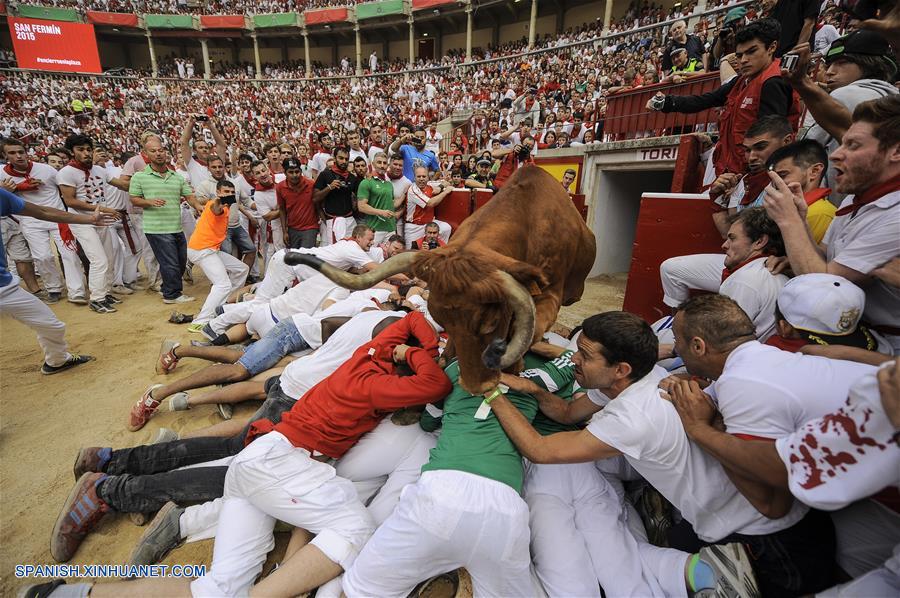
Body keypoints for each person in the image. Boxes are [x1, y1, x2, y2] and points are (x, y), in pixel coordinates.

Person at [47, 312, 451, 597]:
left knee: (230, 464)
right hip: (286, 450)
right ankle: (116, 490)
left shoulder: (377, 334)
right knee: (353, 527)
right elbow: (434, 387)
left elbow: (406, 323)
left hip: (284, 430)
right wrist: (417, 355)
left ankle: (67, 586)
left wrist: (409, 346)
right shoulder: (378, 381)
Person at [486, 312, 779, 597]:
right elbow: (567, 412)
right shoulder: (639, 377)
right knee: (613, 545)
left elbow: (540, 451)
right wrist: (535, 391)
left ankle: (707, 567)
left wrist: (491, 393)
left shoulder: (632, 417)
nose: (573, 359)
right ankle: (695, 568)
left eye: (585, 356)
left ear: (621, 370)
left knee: (612, 550)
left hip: (731, 525)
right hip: (723, 502)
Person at [666, 360, 900, 598]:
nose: (884, 377)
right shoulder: (878, 384)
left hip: (798, 535)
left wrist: (700, 429)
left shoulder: (884, 399)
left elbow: (777, 490)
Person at [763, 95, 900, 351]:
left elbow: (822, 286)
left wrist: (788, 220)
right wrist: (801, 221)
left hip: (886, 348)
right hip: (850, 332)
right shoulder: (857, 196)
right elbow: (826, 258)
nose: (836, 154)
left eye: (854, 145)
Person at [648, 19, 801, 181]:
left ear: (771, 47)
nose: (743, 60)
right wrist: (666, 102)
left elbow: (769, 144)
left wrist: (745, 178)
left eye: (751, 52)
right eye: (740, 55)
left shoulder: (773, 83)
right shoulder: (742, 81)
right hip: (733, 174)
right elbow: (706, 100)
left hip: (750, 179)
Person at [0, 188, 114, 373]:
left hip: (4, 287)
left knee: (52, 326)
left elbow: (42, 211)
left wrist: (89, 219)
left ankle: (57, 360)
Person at [659, 207, 788, 340]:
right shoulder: (775, 273)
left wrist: (674, 350)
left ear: (759, 242)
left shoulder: (744, 281)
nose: (724, 245)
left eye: (732, 238)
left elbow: (722, 340)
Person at [802, 29, 898, 198]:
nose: (830, 71)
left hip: (833, 202)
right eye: (830, 63)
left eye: (842, 62)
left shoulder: (846, 94)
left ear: (867, 63)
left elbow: (808, 147)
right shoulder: (892, 97)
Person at [1, 137, 85, 304]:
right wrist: (11, 189)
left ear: (26, 153)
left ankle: (77, 291)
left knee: (69, 253)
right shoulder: (2, 175)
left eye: (21, 152)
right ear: (5, 156)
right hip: (30, 221)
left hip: (57, 217)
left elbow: (64, 188)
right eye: (12, 153)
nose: (18, 156)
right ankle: (53, 288)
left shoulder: (46, 170)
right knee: (43, 256)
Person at [56, 134, 129, 314]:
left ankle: (105, 292)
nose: (86, 153)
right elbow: (70, 201)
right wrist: (103, 208)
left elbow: (122, 185)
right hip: (81, 220)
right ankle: (97, 298)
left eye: (88, 149)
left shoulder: (99, 170)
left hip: (100, 219)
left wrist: (142, 180)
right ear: (72, 152)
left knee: (109, 257)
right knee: (99, 260)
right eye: (81, 150)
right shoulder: (66, 172)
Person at [128, 136, 202, 305]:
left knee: (181, 260)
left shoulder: (176, 177)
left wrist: (197, 205)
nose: (158, 154)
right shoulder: (139, 177)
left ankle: (167, 288)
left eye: (161, 150)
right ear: (145, 154)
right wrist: (149, 202)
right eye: (153, 151)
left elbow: (189, 196)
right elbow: (134, 199)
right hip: (156, 228)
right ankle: (172, 294)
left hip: (176, 226)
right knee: (170, 262)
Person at [708, 116, 795, 236]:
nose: (752, 157)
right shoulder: (743, 181)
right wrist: (717, 198)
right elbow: (729, 234)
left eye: (760, 147)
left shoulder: (797, 180)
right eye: (747, 150)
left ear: (787, 141)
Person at [184, 179, 249, 332]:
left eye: (232, 193)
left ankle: (225, 305)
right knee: (223, 284)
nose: (230, 195)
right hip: (202, 250)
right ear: (218, 193)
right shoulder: (215, 205)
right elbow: (215, 207)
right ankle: (200, 321)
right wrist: (219, 201)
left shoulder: (226, 208)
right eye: (226, 192)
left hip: (211, 250)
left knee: (242, 269)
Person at [766, 139, 836, 243]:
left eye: (783, 175)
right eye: (774, 178)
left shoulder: (820, 213)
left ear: (814, 171)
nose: (776, 183)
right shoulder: (786, 209)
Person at [314, 147, 358, 246]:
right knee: (337, 253)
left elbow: (357, 197)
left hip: (350, 218)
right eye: (341, 158)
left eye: (346, 159)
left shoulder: (352, 177)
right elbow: (315, 198)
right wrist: (329, 187)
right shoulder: (325, 175)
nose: (344, 161)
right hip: (334, 219)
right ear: (334, 158)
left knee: (352, 249)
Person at [356, 152, 400, 245]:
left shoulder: (389, 184)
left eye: (384, 163)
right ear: (373, 164)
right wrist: (381, 212)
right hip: (375, 230)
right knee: (373, 257)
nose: (382, 165)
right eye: (379, 162)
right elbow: (361, 207)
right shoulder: (366, 182)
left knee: (389, 258)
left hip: (391, 229)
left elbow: (391, 204)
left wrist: (405, 195)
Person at [404, 166, 452, 249]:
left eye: (424, 176)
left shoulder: (429, 185)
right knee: (411, 254)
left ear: (428, 177)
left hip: (429, 224)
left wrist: (440, 187)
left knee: (446, 228)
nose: (421, 179)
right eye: (419, 176)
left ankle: (439, 250)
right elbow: (430, 203)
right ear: (414, 178)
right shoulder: (413, 190)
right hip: (414, 227)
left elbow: (447, 183)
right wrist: (446, 192)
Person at [277, 157, 318, 249]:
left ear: (300, 171)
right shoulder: (280, 187)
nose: (294, 175)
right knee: (294, 259)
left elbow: (317, 205)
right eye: (291, 172)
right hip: (292, 229)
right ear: (285, 173)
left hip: (310, 228)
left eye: (297, 171)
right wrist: (284, 232)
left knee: (305, 258)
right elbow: (282, 209)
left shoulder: (311, 184)